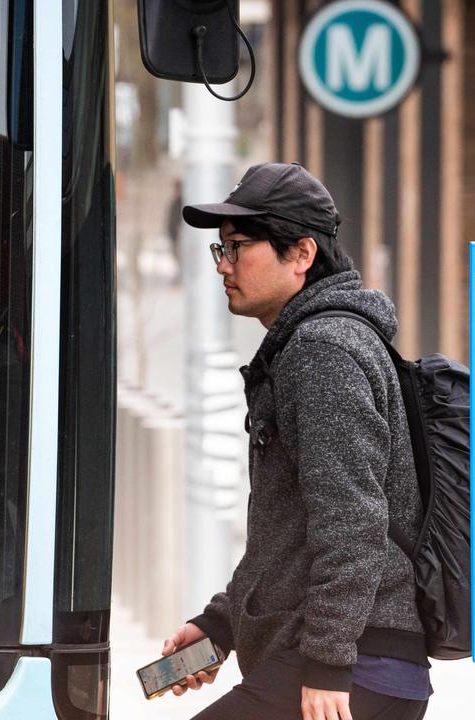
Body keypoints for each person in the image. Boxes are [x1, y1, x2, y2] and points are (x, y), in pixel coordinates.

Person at [162, 163, 430, 720]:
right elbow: (288, 532)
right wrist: (219, 626)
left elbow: (352, 521)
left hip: (352, 665)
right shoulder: (314, 345)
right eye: (220, 250)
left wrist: (330, 667)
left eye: (238, 247)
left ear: (302, 254)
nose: (224, 266)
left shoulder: (322, 351)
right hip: (348, 657)